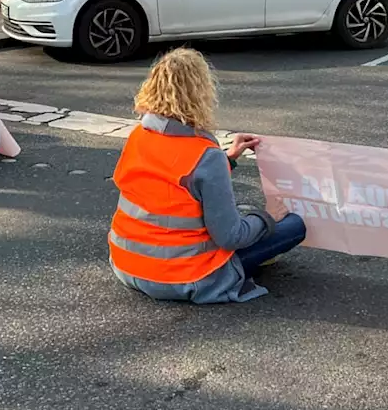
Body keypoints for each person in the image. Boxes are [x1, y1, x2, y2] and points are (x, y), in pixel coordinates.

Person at [108, 48, 306, 304]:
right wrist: (268, 217)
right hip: (184, 277)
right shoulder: (204, 155)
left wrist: (228, 158)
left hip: (127, 265)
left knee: (241, 216)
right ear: (201, 94)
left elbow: (175, 180)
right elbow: (231, 236)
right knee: (292, 225)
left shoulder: (139, 136)